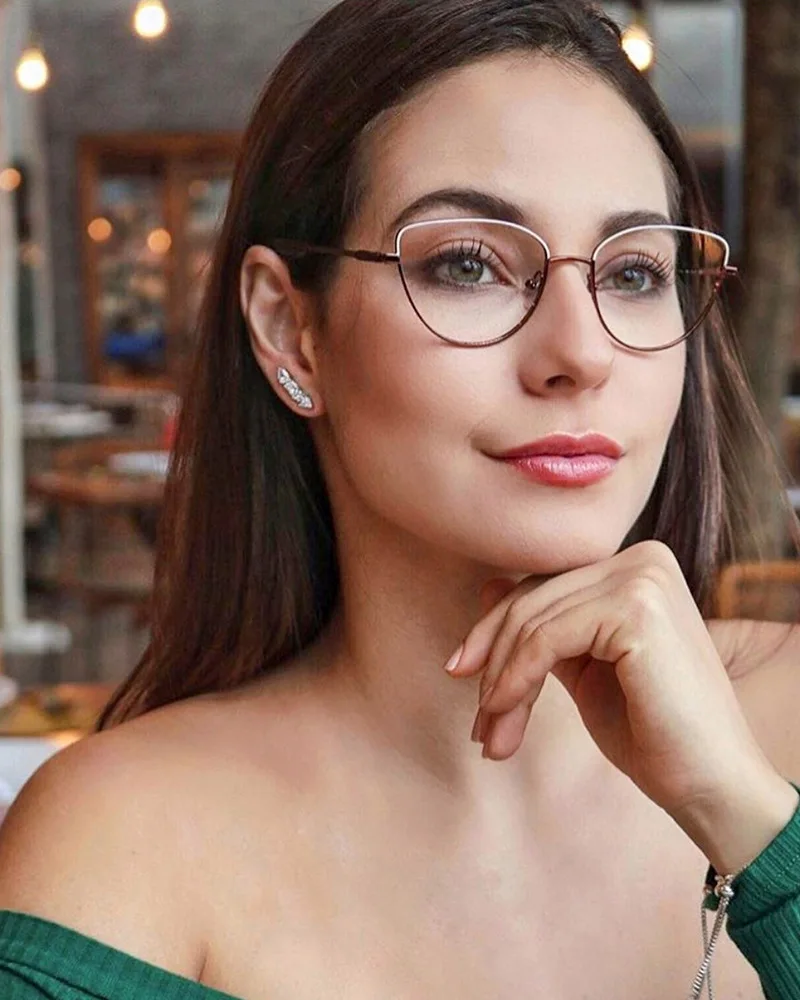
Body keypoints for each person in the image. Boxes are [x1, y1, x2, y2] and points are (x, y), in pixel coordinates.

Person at [1, 1, 799, 997]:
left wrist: (756, 829)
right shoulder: (116, 848)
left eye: (634, 272)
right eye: (468, 265)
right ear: (290, 332)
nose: (581, 352)